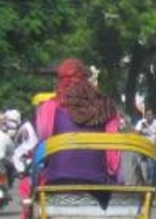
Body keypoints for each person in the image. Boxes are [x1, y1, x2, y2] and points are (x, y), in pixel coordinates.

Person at [34, 58, 122, 186]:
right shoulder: (105, 107)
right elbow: (113, 151)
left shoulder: (50, 107)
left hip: (58, 180)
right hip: (98, 179)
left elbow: (43, 139)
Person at [133, 106, 156, 188]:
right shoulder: (141, 123)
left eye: (150, 115)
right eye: (147, 115)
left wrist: (153, 145)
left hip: (153, 145)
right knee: (135, 159)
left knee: (151, 162)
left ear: (153, 116)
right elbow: (136, 134)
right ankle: (138, 178)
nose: (149, 117)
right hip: (142, 146)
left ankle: (150, 181)